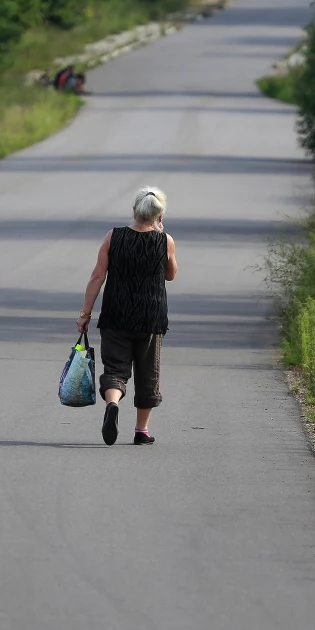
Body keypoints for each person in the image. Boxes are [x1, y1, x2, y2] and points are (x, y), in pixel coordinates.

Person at [77, 187, 178, 445]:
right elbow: (170, 274)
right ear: (159, 215)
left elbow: (98, 276)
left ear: (134, 210)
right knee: (148, 374)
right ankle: (141, 431)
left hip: (116, 315)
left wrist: (85, 313)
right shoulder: (165, 240)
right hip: (151, 318)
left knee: (115, 369)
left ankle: (113, 404)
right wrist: (160, 232)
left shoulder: (114, 236)